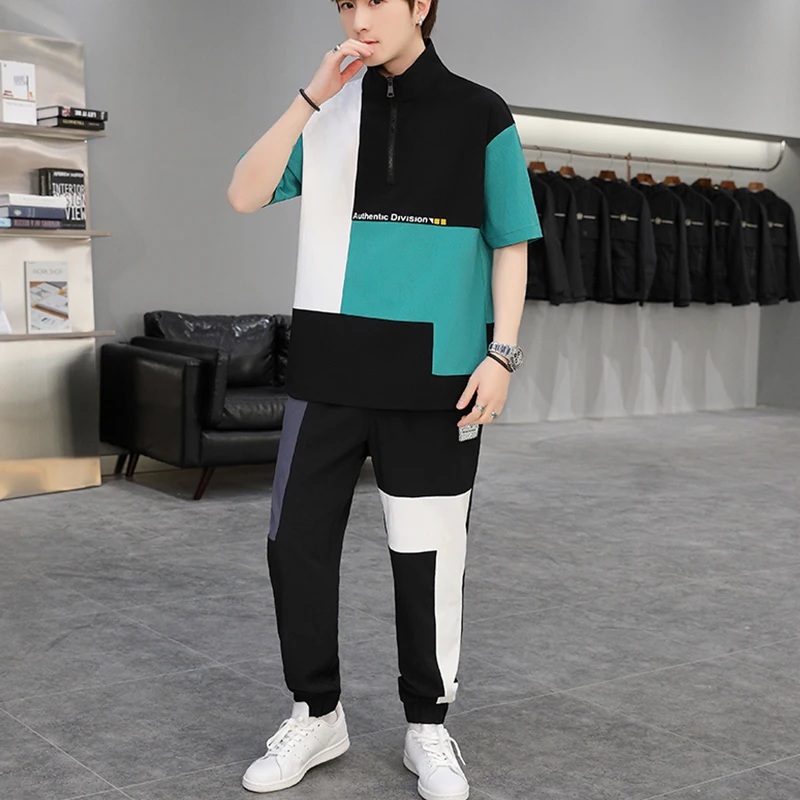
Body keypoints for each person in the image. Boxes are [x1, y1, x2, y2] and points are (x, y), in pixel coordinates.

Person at [227, 1, 540, 797]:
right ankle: (315, 713)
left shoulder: (481, 113)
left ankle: (428, 726)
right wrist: (309, 98)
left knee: (429, 554)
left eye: (375, 0)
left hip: (439, 376)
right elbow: (243, 194)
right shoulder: (328, 111)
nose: (358, 17)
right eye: (346, 3)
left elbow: (510, 240)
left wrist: (501, 353)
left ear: (421, 5)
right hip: (326, 372)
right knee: (295, 546)